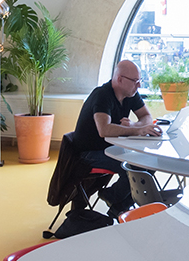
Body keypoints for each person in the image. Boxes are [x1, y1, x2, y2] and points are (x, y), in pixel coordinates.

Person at [63, 60, 156, 216]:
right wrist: (137, 130)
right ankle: (114, 199)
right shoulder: (102, 95)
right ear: (120, 79)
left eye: (139, 80)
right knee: (136, 167)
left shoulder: (130, 93)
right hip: (88, 153)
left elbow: (146, 116)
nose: (139, 85)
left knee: (151, 163)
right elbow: (104, 129)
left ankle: (116, 206)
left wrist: (133, 125)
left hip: (112, 148)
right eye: (135, 81)